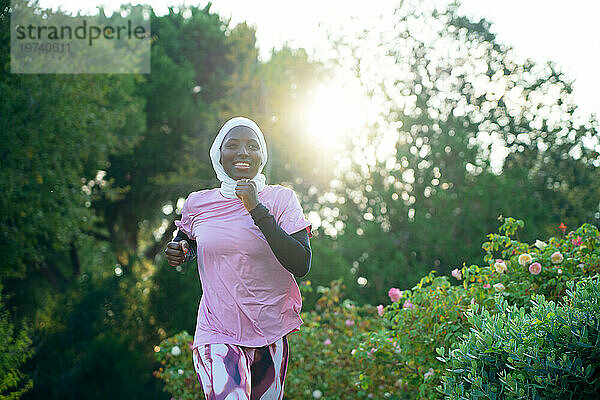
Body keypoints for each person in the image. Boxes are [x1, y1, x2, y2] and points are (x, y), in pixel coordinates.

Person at [164, 116, 312, 400]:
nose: (243, 152)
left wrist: (255, 207)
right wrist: (179, 250)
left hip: (270, 332)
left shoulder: (281, 200)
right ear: (219, 154)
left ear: (262, 155)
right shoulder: (198, 203)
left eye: (252, 146)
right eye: (233, 145)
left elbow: (301, 263)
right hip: (217, 330)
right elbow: (188, 241)